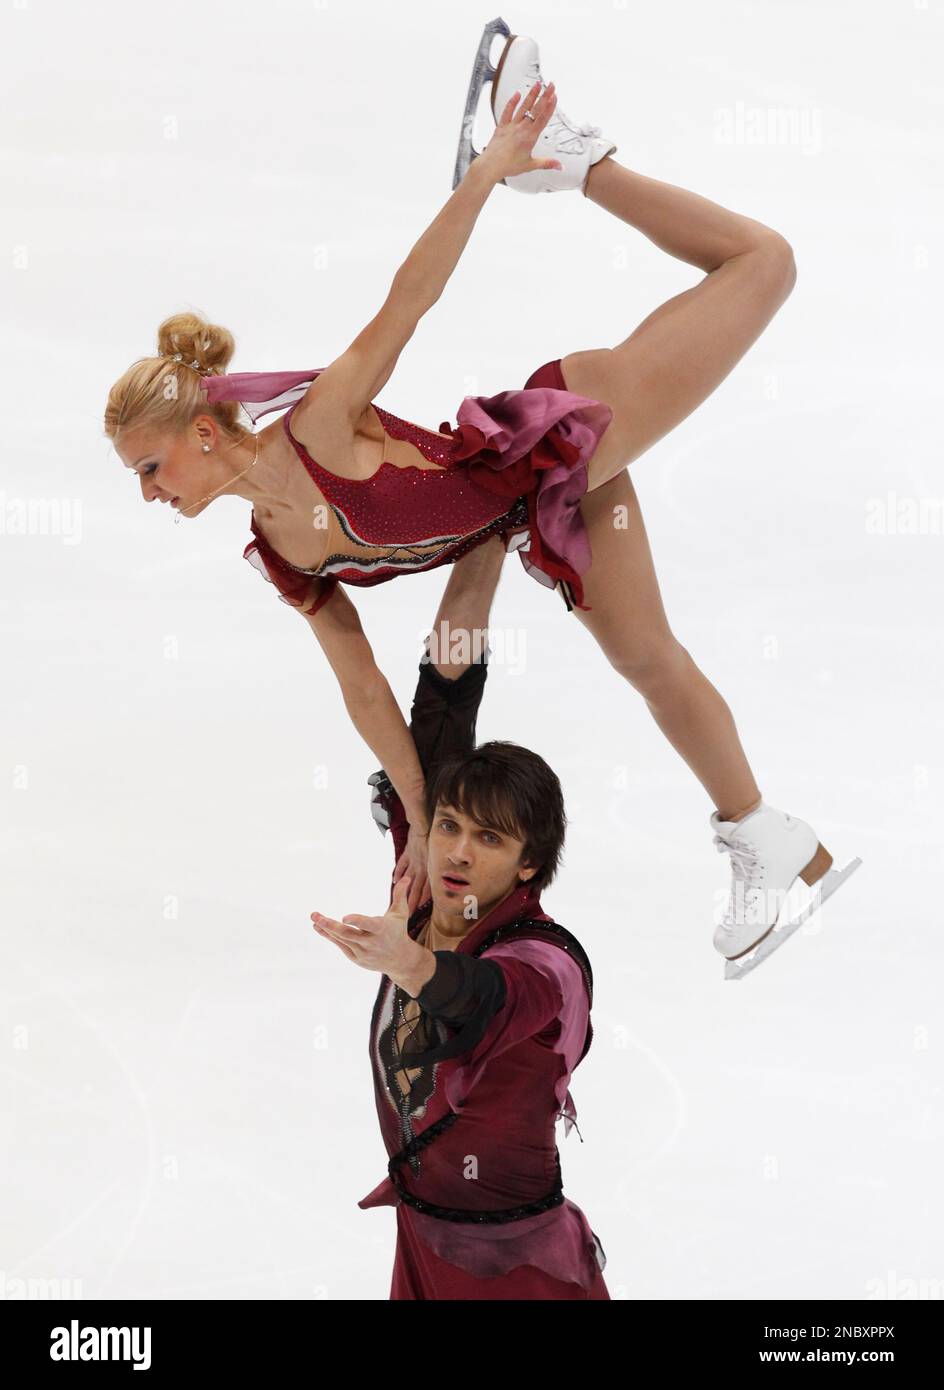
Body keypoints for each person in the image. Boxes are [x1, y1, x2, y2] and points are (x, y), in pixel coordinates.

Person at [104, 27, 858, 972]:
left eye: (149, 467)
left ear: (203, 434)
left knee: (765, 263)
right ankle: (765, 834)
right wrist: (419, 821)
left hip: (559, 432)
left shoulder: (323, 428)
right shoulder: (282, 553)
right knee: (647, 656)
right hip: (544, 512)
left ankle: (572, 163)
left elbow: (409, 299)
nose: (147, 493)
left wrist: (491, 166)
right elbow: (366, 688)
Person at [310, 539, 609, 1299]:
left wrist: (407, 964)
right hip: (421, 1248)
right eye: (450, 825)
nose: (458, 852)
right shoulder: (428, 873)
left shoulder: (546, 964)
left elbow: (481, 999)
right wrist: (486, 534)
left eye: (491, 839)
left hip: (517, 1272)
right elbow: (446, 685)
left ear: (530, 864)